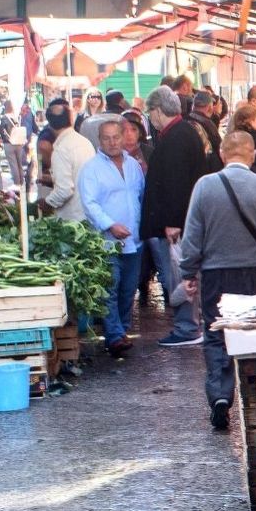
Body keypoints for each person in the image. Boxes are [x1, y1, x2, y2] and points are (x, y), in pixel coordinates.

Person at [180, 129, 256, 432]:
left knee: (217, 335)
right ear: (253, 154)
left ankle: (220, 396)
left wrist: (189, 272)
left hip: (216, 275)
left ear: (221, 154)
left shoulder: (205, 186)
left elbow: (193, 236)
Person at [139, 86, 215, 350]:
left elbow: (176, 183)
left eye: (151, 112)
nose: (151, 117)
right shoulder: (183, 132)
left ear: (159, 111)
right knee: (184, 273)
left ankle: (187, 327)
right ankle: (190, 325)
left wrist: (172, 221)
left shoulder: (176, 137)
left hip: (175, 225)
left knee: (180, 274)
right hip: (181, 221)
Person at [77, 117, 146, 360]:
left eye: (116, 137)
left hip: (134, 239)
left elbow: (140, 196)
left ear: (123, 136)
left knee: (129, 289)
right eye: (106, 138)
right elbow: (90, 204)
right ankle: (115, 336)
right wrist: (110, 225)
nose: (112, 142)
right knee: (111, 289)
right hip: (107, 242)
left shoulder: (133, 165)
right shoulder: (91, 169)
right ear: (100, 140)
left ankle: (122, 330)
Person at [40, 98, 96, 223]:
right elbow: (77, 175)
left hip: (73, 218)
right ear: (70, 120)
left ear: (49, 124)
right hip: (90, 213)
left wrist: (47, 203)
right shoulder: (84, 142)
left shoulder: (61, 149)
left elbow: (64, 190)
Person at [188, 89, 224, 159]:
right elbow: (218, 146)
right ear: (209, 107)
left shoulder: (185, 120)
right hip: (207, 165)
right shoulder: (207, 123)